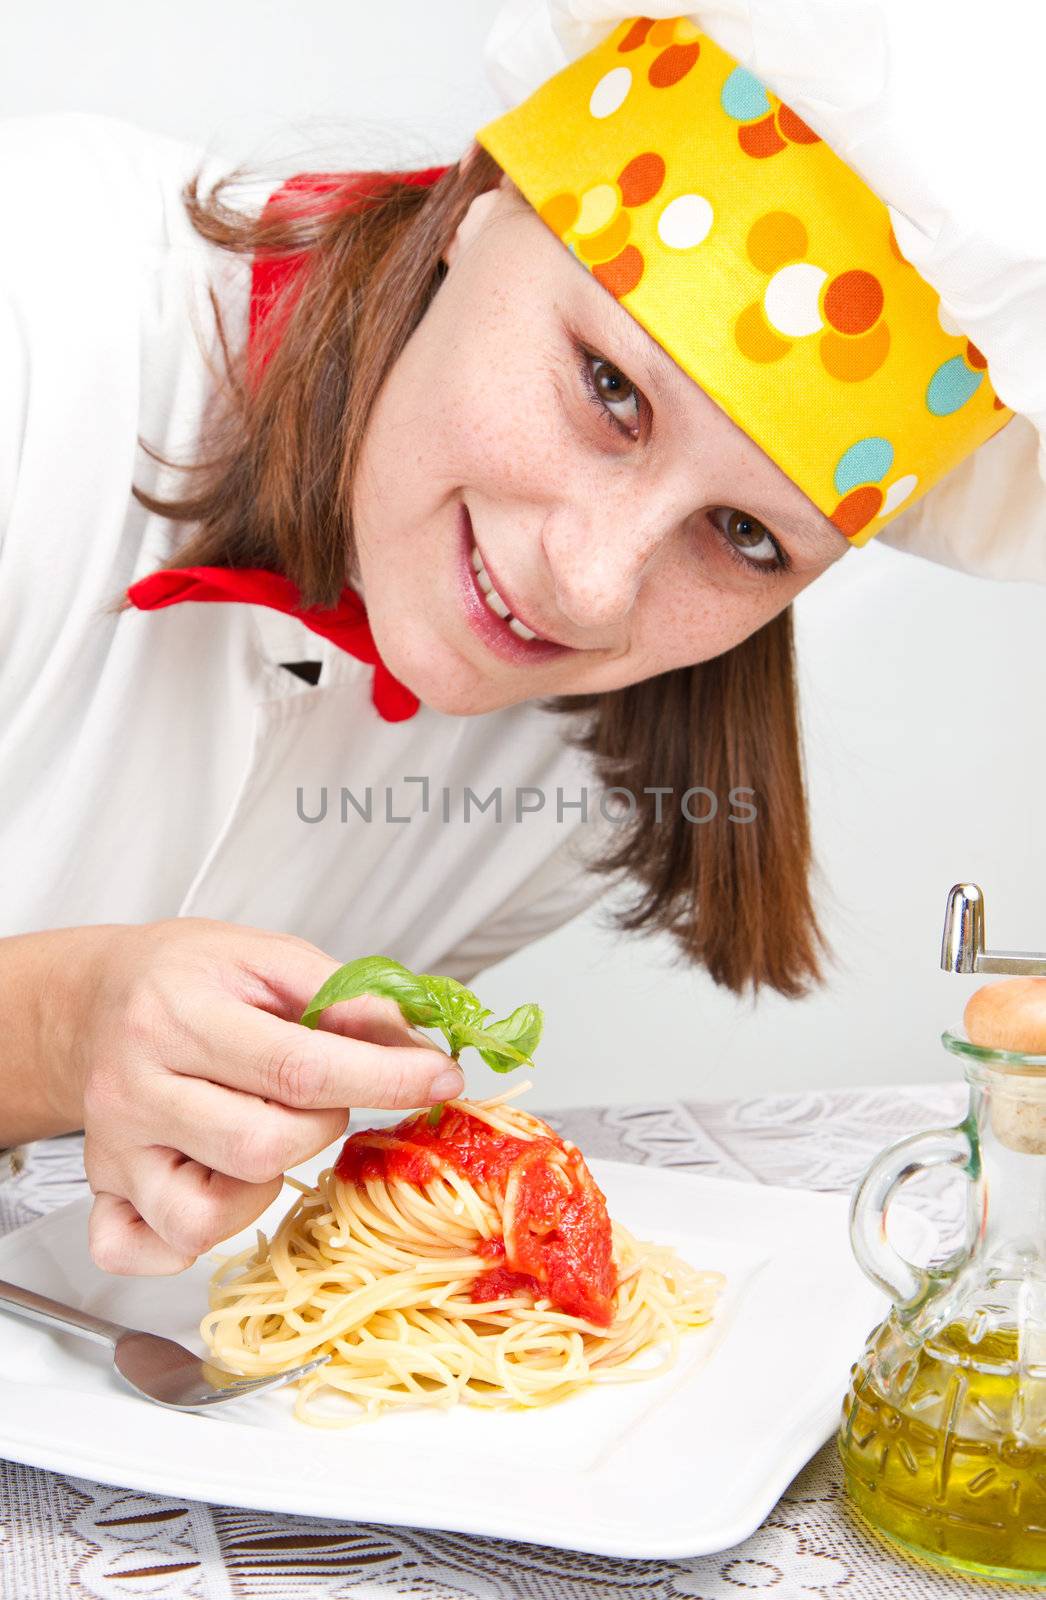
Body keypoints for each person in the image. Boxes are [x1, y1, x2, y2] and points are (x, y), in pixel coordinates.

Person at [0, 9, 1025, 1275]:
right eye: (608, 389)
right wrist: (51, 1031)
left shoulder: (600, 767)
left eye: (746, 537)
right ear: (483, 198)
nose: (591, 589)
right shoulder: (34, 319)